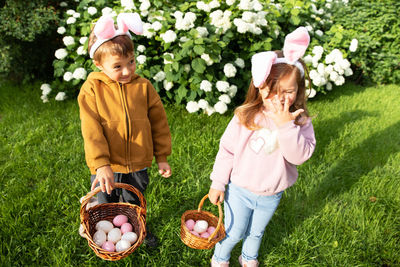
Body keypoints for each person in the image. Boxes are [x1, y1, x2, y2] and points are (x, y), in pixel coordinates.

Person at [208, 27, 316, 267]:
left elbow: (299, 156)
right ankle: (220, 257)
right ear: (260, 87)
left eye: (288, 92)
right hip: (240, 190)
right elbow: (227, 151)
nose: (280, 99)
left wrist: (286, 126)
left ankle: (248, 257)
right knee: (234, 231)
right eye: (273, 92)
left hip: (271, 193)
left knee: (256, 232)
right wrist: (218, 183)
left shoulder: (299, 121)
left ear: (298, 91)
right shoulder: (246, 116)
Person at [78, 13, 172, 248]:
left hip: (138, 162)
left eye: (131, 62)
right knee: (106, 202)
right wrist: (101, 164)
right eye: (117, 66)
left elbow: (159, 123)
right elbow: (91, 130)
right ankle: (105, 234)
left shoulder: (143, 87)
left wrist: (161, 157)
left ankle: (135, 228)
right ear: (99, 65)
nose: (128, 71)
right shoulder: (92, 90)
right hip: (108, 165)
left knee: (134, 200)